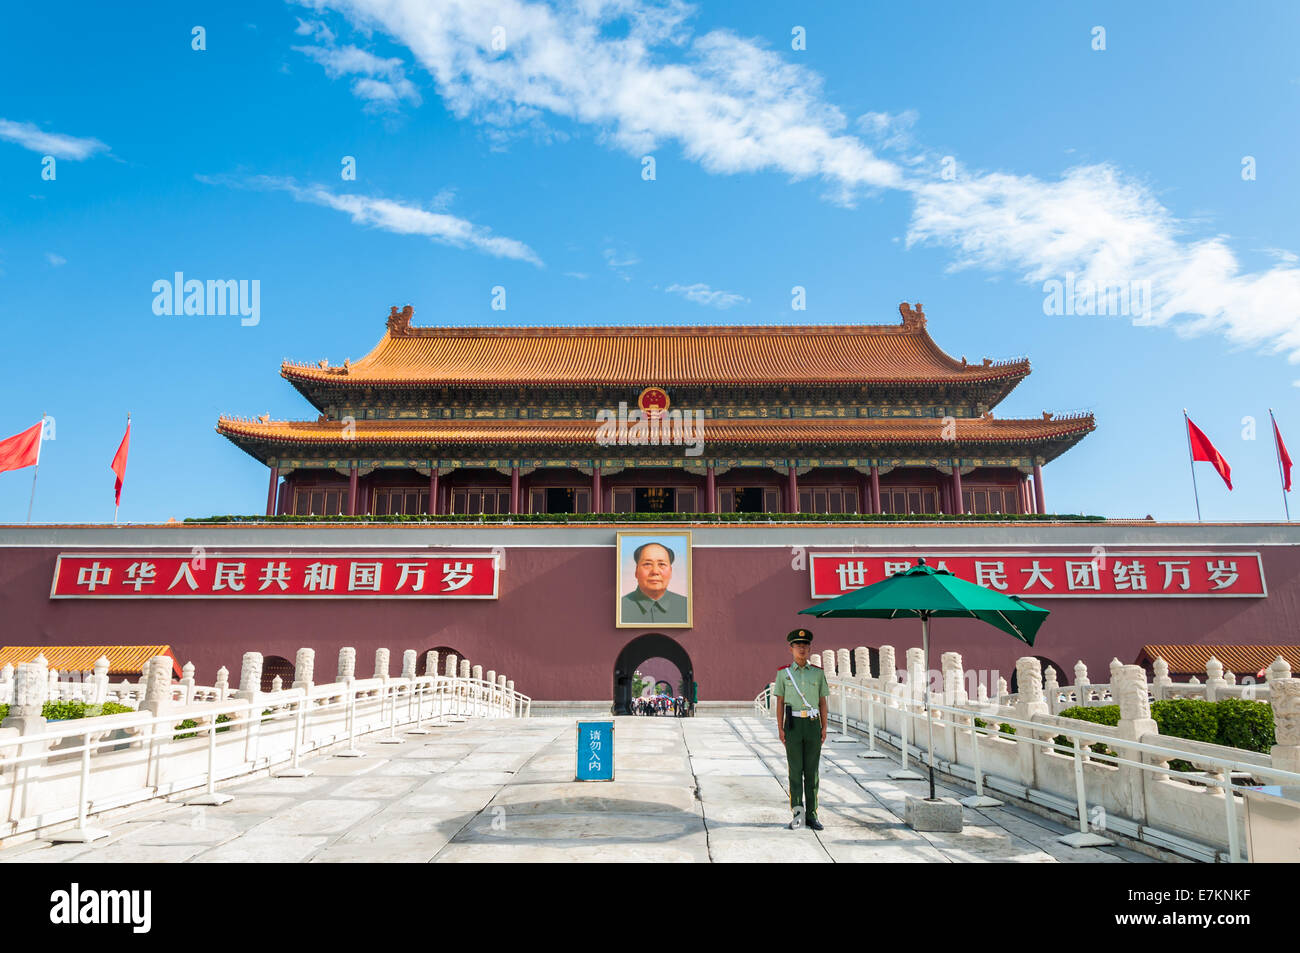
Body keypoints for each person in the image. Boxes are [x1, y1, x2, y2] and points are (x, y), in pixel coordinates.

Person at [772, 628, 829, 831]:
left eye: (805, 646)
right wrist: (780, 728)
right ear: (791, 649)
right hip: (793, 726)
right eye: (798, 646)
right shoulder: (783, 674)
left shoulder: (818, 673)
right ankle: (798, 815)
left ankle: (812, 815)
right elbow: (779, 703)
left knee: (812, 772)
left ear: (810, 648)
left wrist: (824, 727)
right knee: (795, 772)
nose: (802, 649)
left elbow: (822, 702)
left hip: (813, 725)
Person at [619, 541, 689, 624]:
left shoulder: (687, 607)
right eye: (647, 564)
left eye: (662, 564)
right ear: (636, 571)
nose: (655, 571)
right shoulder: (620, 608)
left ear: (670, 571)